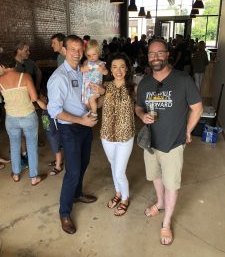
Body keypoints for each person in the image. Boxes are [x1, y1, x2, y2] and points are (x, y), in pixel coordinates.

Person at [135, 39, 203, 245]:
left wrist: (188, 131)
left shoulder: (183, 80)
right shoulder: (145, 82)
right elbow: (138, 107)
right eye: (151, 54)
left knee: (171, 183)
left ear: (167, 55)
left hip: (173, 143)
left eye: (159, 53)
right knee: (155, 176)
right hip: (150, 142)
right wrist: (142, 116)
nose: (155, 57)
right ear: (148, 57)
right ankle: (161, 202)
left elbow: (197, 108)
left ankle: (166, 223)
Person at [47, 35, 102, 234]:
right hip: (70, 128)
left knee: (84, 162)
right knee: (73, 172)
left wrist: (99, 95)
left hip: (84, 124)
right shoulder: (58, 78)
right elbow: (54, 111)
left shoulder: (82, 71)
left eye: (80, 49)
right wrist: (81, 120)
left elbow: (88, 97)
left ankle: (77, 194)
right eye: (72, 49)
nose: (77, 53)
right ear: (64, 50)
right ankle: (64, 212)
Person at [0, 53, 47, 185]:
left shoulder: (0, 80)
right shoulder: (25, 76)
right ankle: (34, 177)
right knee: (32, 146)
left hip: (11, 118)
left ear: (2, 66)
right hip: (28, 116)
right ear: (15, 64)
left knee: (14, 145)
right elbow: (33, 98)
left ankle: (16, 174)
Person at [100, 53, 135, 216]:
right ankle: (118, 193)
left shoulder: (134, 87)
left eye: (122, 66)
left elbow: (141, 107)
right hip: (107, 135)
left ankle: (125, 198)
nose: (118, 70)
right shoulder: (105, 86)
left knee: (120, 171)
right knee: (113, 166)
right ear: (110, 69)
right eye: (114, 67)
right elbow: (97, 104)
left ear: (127, 69)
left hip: (125, 135)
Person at [80, 40, 108, 117]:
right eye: (89, 55)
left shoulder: (101, 64)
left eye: (93, 54)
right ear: (86, 54)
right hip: (86, 86)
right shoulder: (86, 62)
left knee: (92, 99)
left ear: (98, 53)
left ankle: (94, 113)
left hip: (96, 86)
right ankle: (90, 111)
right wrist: (83, 69)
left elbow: (106, 72)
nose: (91, 57)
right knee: (85, 102)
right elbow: (80, 70)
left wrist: (102, 70)